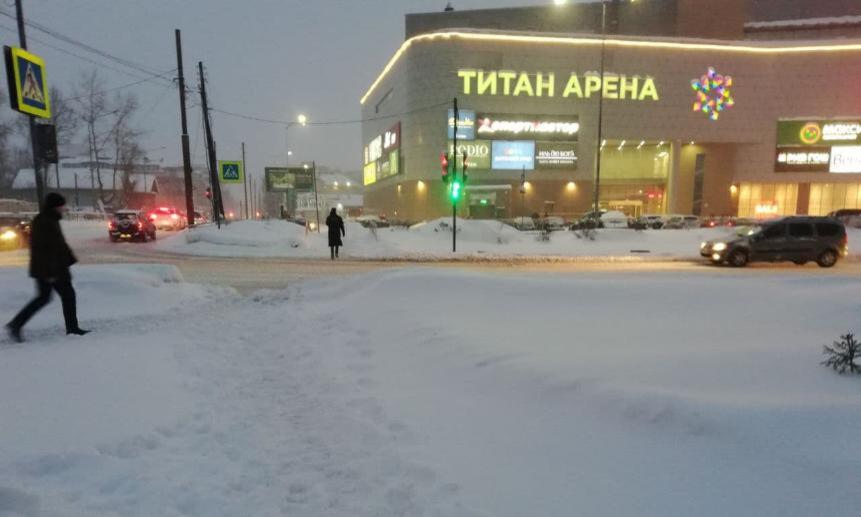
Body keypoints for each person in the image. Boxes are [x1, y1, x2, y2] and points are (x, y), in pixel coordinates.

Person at [6, 193, 90, 343]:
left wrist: (69, 258)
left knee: (46, 297)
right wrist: (50, 272)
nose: (63, 209)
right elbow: (44, 249)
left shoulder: (50, 219)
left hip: (51, 268)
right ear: (55, 206)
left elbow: (59, 244)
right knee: (65, 296)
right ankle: (71, 328)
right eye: (61, 206)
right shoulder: (45, 222)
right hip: (51, 269)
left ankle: (16, 324)